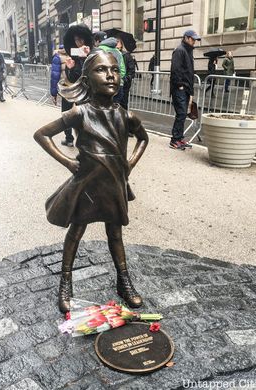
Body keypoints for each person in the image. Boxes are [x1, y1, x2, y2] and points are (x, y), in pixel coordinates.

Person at [34, 51, 149, 313]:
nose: (110, 75)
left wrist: (129, 163)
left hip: (114, 183)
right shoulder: (79, 113)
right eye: (101, 70)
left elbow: (143, 139)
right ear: (86, 79)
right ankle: (66, 282)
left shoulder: (126, 116)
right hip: (87, 183)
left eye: (115, 70)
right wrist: (67, 161)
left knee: (115, 233)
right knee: (76, 231)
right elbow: (42, 134)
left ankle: (124, 281)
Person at [169, 30, 200, 150]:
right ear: (186, 38)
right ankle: (174, 140)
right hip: (180, 88)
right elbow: (175, 70)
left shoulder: (187, 51)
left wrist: (189, 90)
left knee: (183, 114)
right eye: (192, 39)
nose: (194, 42)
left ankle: (180, 138)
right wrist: (180, 85)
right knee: (181, 113)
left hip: (185, 88)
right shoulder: (180, 50)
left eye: (195, 40)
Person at [64, 26, 93, 146]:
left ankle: (86, 142)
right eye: (76, 40)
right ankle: (69, 138)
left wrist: (87, 57)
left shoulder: (93, 54)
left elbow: (93, 73)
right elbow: (71, 78)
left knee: (86, 118)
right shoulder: (72, 56)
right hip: (75, 91)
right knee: (67, 113)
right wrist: (70, 69)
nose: (78, 43)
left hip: (87, 93)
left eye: (81, 40)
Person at [50, 44, 74, 147]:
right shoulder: (74, 55)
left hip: (66, 89)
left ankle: (69, 139)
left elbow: (55, 76)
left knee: (67, 114)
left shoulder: (57, 58)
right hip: (78, 88)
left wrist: (54, 93)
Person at [98, 37, 126, 105]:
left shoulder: (99, 50)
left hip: (103, 84)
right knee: (115, 105)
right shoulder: (118, 52)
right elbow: (122, 70)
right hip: (117, 84)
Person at [117, 37, 136, 110]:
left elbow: (132, 70)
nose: (116, 44)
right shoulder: (112, 54)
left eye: (118, 42)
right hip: (115, 83)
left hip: (124, 83)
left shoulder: (126, 55)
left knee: (123, 103)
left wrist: (126, 79)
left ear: (121, 44)